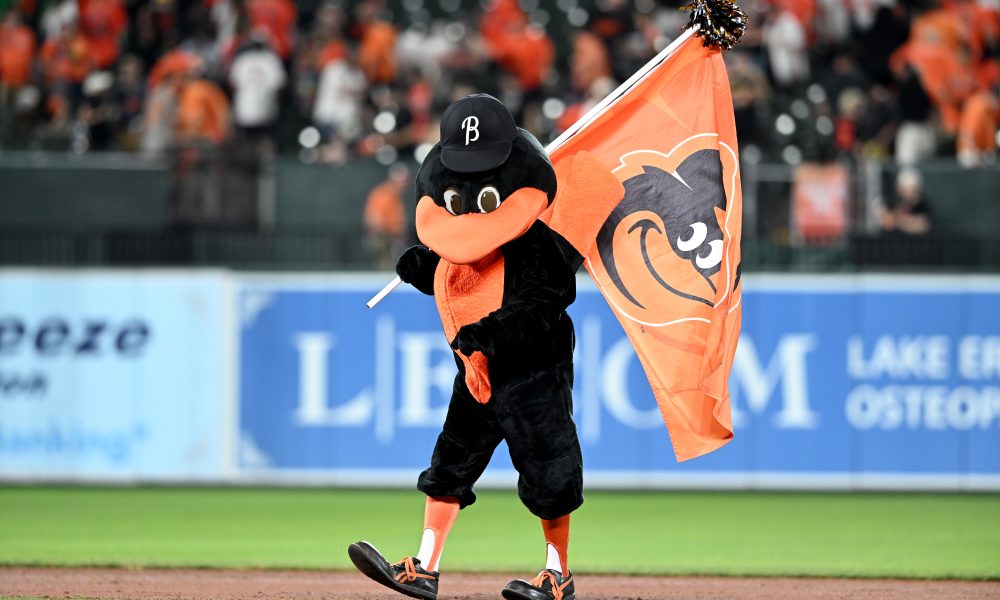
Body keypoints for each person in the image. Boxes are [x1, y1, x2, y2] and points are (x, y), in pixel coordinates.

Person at [348, 93, 623, 600]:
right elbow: (458, 276)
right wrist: (423, 269)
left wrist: (493, 332)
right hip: (476, 371)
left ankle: (557, 574)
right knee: (449, 466)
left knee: (548, 469)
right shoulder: (458, 236)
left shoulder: (536, 246)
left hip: (531, 373)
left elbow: (544, 302)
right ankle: (424, 567)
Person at [363, 163, 409, 270]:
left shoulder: (396, 196)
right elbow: (374, 220)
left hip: (392, 240)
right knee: (386, 269)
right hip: (384, 240)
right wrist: (390, 238)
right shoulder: (383, 194)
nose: (404, 185)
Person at [882, 168, 931, 236]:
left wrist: (898, 221)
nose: (902, 191)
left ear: (915, 189)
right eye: (901, 188)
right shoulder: (896, 203)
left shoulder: (922, 206)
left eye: (906, 189)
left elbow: (923, 225)